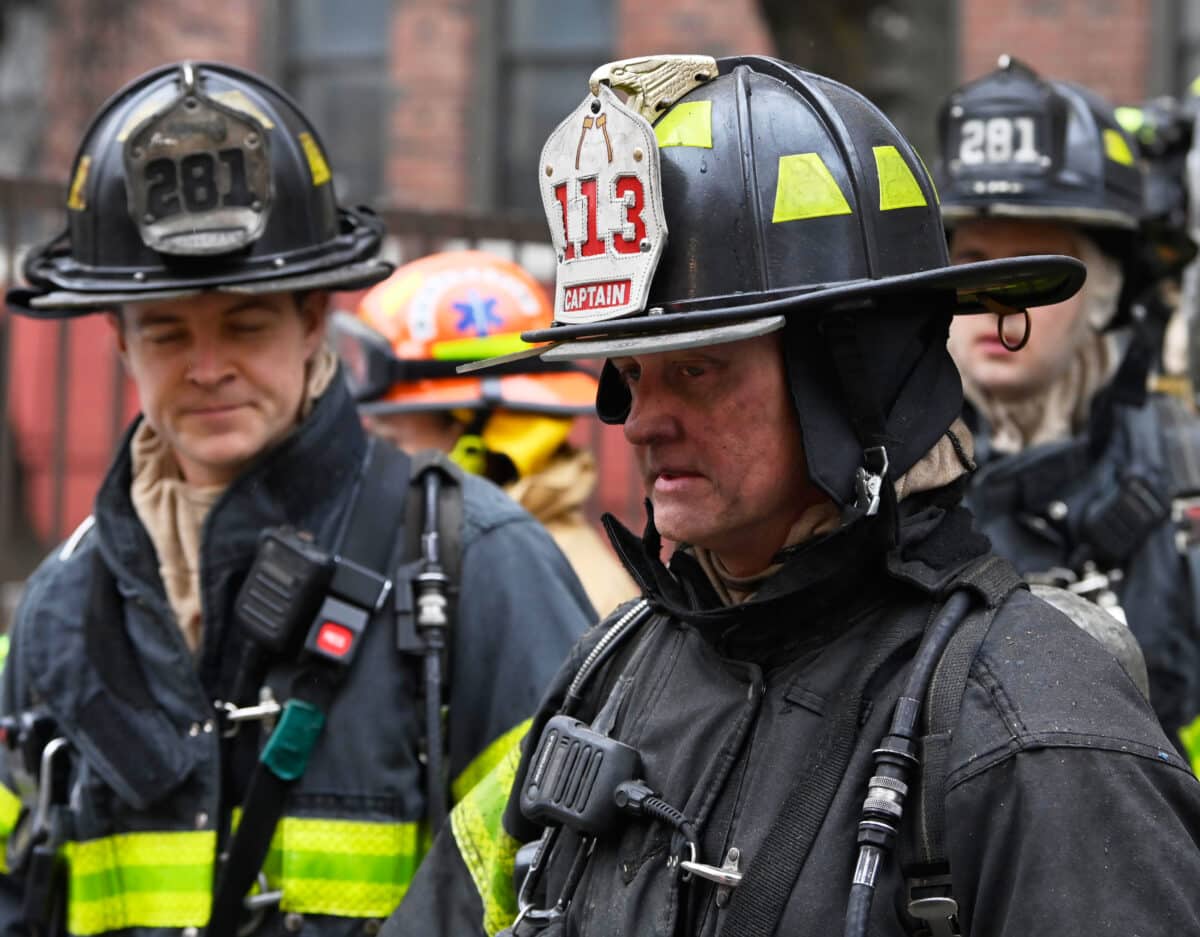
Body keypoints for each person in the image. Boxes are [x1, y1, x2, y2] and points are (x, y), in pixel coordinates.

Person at [382, 53, 1200, 937]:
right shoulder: (611, 675)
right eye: (628, 371)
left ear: (854, 373)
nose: (641, 420)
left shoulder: (1035, 732)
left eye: (697, 368)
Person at [0, 61, 593, 936]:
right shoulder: (61, 605)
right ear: (117, 340)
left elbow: (577, 886)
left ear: (314, 316)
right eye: (166, 332)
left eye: (246, 322)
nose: (208, 367)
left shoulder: (476, 564)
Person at [935, 55, 1200, 762]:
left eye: (1038, 268)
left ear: (1106, 294)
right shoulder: (874, 476)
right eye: (975, 261)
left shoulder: (1185, 483)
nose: (998, 301)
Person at [330, 250, 638, 616]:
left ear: (475, 435)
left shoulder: (559, 586)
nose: (376, 457)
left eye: (391, 442)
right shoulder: (448, 550)